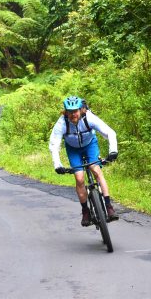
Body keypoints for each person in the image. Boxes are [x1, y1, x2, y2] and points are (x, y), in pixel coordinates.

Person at [49, 95, 119, 226]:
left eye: (75, 111)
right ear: (66, 112)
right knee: (79, 178)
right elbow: (54, 144)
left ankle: (109, 207)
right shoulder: (62, 123)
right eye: (70, 112)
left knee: (96, 171)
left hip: (90, 145)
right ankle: (85, 211)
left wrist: (113, 151)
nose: (73, 115)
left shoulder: (89, 117)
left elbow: (110, 132)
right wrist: (57, 164)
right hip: (73, 149)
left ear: (81, 110)